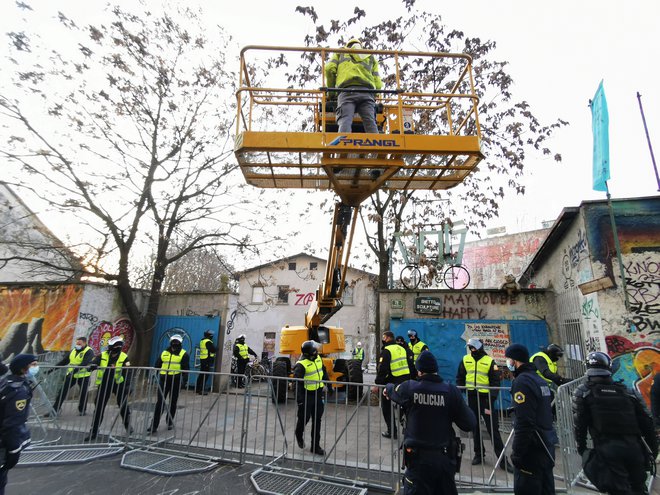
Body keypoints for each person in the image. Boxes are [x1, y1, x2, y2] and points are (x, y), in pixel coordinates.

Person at [386, 351, 476, 495]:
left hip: (418, 462)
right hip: (444, 460)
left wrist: (387, 388)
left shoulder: (410, 388)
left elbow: (393, 390)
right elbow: (469, 423)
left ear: (419, 371)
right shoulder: (451, 391)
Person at [572, 351, 658, 495]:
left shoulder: (583, 393)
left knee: (619, 491)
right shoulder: (629, 392)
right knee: (638, 489)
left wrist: (582, 449)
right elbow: (647, 424)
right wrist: (652, 451)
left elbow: (579, 425)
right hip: (634, 448)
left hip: (608, 450)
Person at [505, 343, 556, 495]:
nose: (508, 363)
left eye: (508, 359)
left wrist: (518, 452)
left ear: (515, 360)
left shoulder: (522, 382)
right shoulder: (538, 380)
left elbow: (525, 421)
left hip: (532, 449)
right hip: (546, 445)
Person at [456, 338, 511, 470]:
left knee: (493, 429)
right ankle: (478, 454)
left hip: (486, 399)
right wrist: (461, 390)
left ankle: (503, 460)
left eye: (474, 347)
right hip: (472, 398)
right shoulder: (465, 359)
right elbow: (460, 377)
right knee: (475, 427)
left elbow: (495, 381)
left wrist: (491, 399)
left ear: (480, 347)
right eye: (470, 347)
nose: (472, 349)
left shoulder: (489, 361)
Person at [325, 37, 382, 134]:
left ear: (348, 45)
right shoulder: (370, 56)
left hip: (347, 92)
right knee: (370, 122)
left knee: (345, 121)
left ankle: (343, 146)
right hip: (367, 93)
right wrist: (376, 94)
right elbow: (377, 79)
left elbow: (329, 69)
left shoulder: (340, 53)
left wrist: (331, 93)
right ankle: (376, 148)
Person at [0, 354, 37, 495]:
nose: (35, 367)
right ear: (23, 369)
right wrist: (14, 451)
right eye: (33, 365)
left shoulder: (5, 382)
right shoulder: (18, 391)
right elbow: (11, 425)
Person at [85, 336, 133, 441]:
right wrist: (92, 365)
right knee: (99, 408)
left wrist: (129, 385)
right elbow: (94, 361)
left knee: (123, 406)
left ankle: (128, 426)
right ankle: (94, 431)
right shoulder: (102, 355)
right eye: (116, 346)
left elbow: (128, 372)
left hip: (118, 385)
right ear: (111, 347)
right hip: (104, 384)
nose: (118, 347)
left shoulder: (124, 357)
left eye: (119, 345)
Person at [374, 331, 412, 439]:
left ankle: (392, 431)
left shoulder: (387, 351)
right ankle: (408, 429)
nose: (383, 339)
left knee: (386, 407)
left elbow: (382, 369)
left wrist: (377, 384)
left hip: (392, 382)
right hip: (405, 382)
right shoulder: (402, 348)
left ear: (386, 338)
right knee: (404, 406)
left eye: (383, 337)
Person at [293, 340, 328, 456]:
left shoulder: (318, 358)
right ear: (308, 354)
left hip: (318, 394)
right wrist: (300, 401)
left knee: (317, 421)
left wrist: (329, 385)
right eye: (314, 352)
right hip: (306, 395)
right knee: (304, 419)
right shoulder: (301, 364)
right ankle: (298, 433)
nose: (316, 353)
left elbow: (323, 370)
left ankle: (315, 446)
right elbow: (296, 384)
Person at [149, 334, 189, 433]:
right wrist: (154, 375)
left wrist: (184, 381)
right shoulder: (164, 353)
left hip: (176, 380)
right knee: (160, 402)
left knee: (173, 402)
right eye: (174, 341)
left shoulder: (184, 354)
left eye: (177, 342)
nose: (175, 343)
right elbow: (157, 364)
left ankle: (169, 421)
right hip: (164, 380)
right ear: (171, 342)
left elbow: (186, 369)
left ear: (180, 343)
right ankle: (154, 425)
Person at [49, 336, 95, 416]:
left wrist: (73, 372)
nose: (77, 345)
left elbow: (84, 363)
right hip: (71, 375)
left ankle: (82, 410)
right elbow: (64, 361)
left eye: (79, 343)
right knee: (62, 391)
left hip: (83, 376)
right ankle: (55, 410)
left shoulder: (89, 352)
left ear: (84, 343)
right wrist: (51, 370)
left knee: (83, 393)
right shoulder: (73, 350)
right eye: (77, 343)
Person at [196, 330, 216, 395]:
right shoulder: (208, 342)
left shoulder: (202, 341)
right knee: (205, 375)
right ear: (209, 335)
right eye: (211, 335)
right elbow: (212, 349)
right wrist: (217, 349)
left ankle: (197, 389)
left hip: (203, 359)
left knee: (201, 374)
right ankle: (201, 390)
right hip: (207, 359)